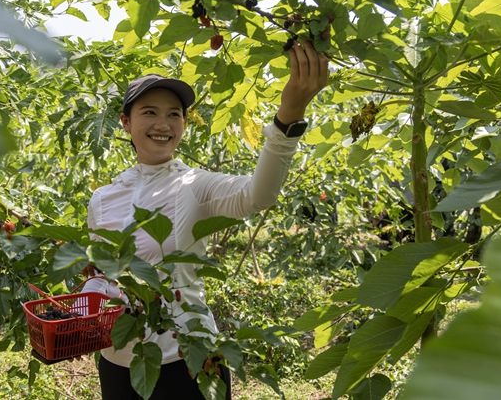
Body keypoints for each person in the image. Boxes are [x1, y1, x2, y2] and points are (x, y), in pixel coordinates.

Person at [84, 39, 329, 399]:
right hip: (118, 362)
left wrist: (288, 117)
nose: (163, 124)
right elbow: (101, 275)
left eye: (174, 114)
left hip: (189, 358)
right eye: (149, 112)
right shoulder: (103, 199)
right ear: (125, 122)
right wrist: (87, 298)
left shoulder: (193, 185)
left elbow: (257, 195)